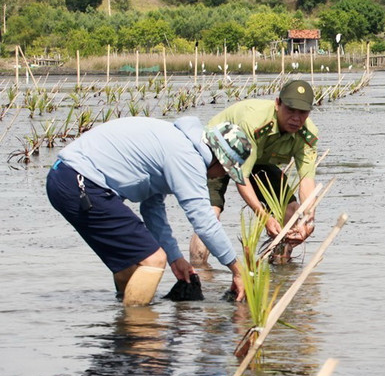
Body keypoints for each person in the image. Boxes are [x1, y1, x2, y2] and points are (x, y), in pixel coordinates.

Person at [46, 117, 253, 305]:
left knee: (133, 264)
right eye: (225, 172)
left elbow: (152, 210)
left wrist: (175, 258)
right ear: (219, 159)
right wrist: (237, 269)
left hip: (64, 178)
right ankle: (140, 328)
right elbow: (204, 221)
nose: (220, 176)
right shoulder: (187, 156)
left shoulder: (176, 142)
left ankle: (125, 330)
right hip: (81, 183)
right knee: (153, 259)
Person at [190, 79, 320, 263]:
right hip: (221, 150)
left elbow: (307, 181)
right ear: (277, 104)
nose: (296, 118)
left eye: (303, 112)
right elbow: (241, 177)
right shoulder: (254, 123)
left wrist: (308, 220)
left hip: (259, 158)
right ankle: (199, 271)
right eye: (290, 110)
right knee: (211, 212)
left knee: (291, 210)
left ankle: (280, 267)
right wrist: (264, 217)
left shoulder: (308, 134)